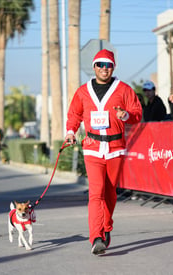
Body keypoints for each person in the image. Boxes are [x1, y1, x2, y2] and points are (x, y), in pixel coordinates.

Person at [64, 49, 142, 255]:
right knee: (96, 193)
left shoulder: (124, 89)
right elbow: (74, 114)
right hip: (92, 147)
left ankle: (106, 226)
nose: (104, 69)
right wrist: (71, 132)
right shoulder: (82, 91)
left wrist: (125, 115)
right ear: (94, 67)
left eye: (108, 65)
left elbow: (137, 114)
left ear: (113, 67)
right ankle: (96, 237)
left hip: (115, 149)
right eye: (100, 65)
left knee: (110, 193)